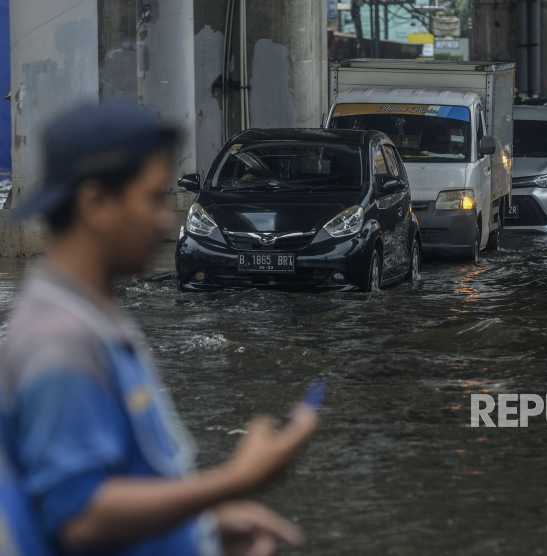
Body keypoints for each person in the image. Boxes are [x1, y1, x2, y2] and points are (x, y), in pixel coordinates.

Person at [0, 103, 318, 556]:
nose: (165, 218)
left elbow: (127, 480)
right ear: (96, 204)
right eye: (152, 198)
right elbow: (80, 516)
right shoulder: (60, 341)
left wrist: (203, 526)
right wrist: (235, 482)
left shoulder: (92, 314)